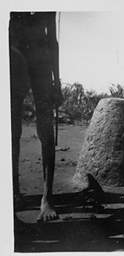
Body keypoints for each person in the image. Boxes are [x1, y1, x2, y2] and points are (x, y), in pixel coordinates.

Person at [9, 12, 63, 222]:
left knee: (46, 128)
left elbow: (52, 39)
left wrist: (56, 82)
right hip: (14, 56)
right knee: (12, 129)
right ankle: (13, 192)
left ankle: (47, 197)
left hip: (41, 63)